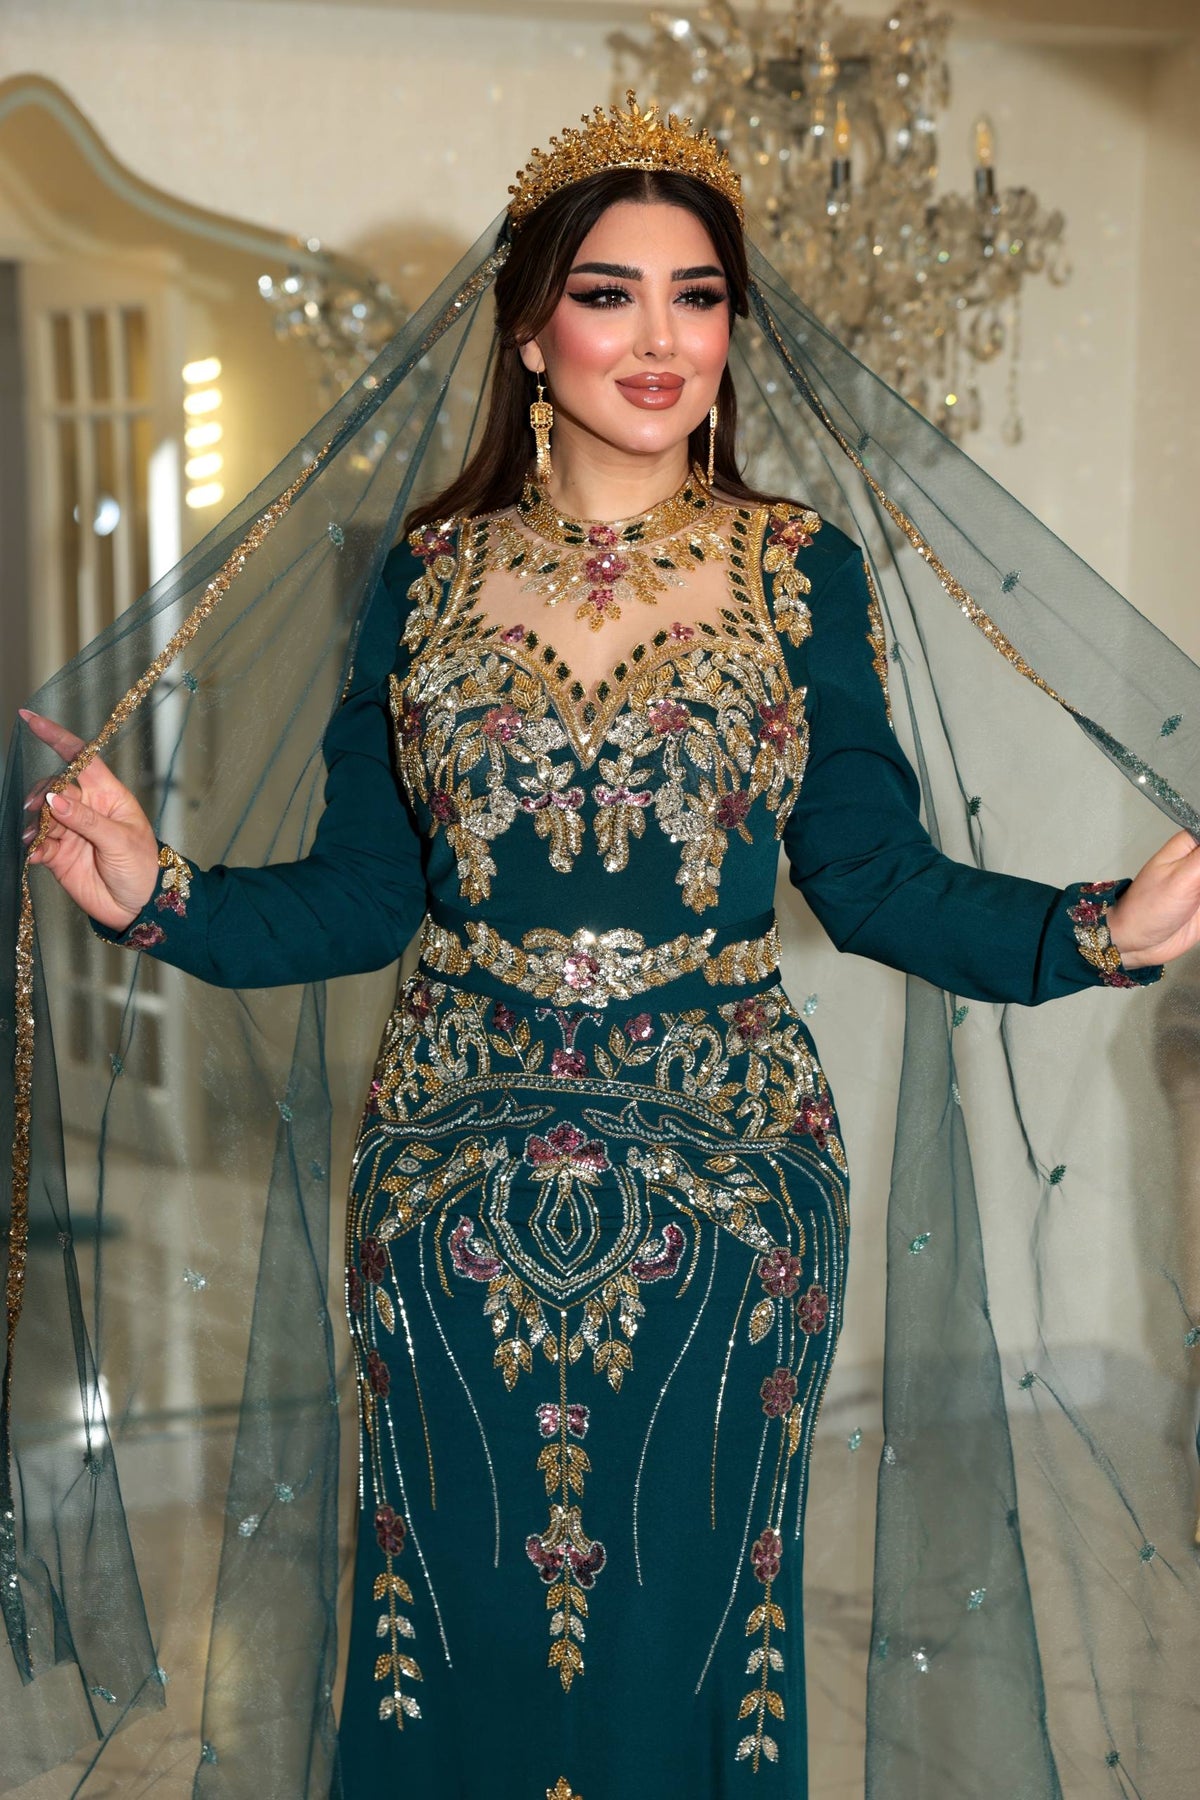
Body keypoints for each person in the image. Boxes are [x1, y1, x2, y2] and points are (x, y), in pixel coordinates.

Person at [7, 97, 1200, 1799]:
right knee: (449, 1624)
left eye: (698, 297)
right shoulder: (424, 580)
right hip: (445, 1195)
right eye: (609, 293)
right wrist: (157, 894)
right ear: (527, 330)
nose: (660, 339)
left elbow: (874, 881)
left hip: (729, 1196)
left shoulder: (800, 574)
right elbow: (359, 899)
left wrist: (1098, 933)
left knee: (687, 1635)